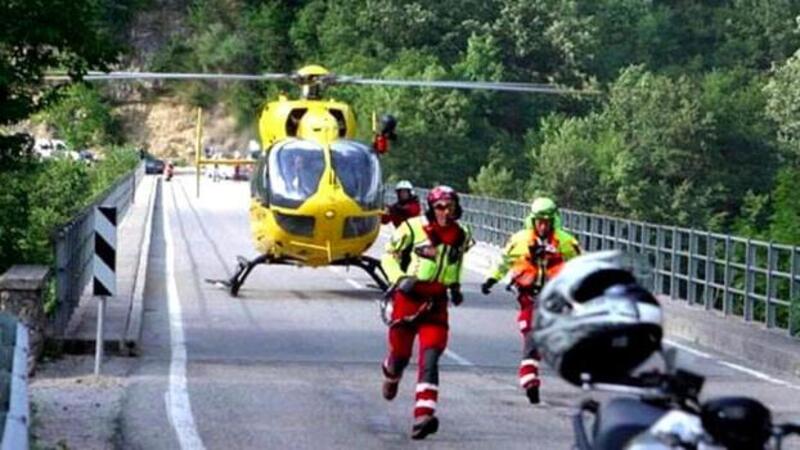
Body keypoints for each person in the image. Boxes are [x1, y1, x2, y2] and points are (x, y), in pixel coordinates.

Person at [380, 185, 473, 440]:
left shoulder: (461, 234)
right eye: (440, 207)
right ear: (431, 208)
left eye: (449, 207)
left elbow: (456, 262)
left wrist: (454, 286)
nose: (445, 212)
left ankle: (424, 414)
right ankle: (391, 371)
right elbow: (388, 256)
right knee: (400, 355)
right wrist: (400, 278)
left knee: (430, 357)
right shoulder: (411, 228)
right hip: (408, 299)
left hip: (436, 303)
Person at [480, 196, 581, 404]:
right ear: (532, 220)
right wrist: (491, 279)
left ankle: (530, 374)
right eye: (539, 221)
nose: (543, 226)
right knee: (529, 330)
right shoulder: (520, 240)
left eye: (547, 221)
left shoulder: (566, 242)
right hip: (528, 293)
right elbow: (504, 261)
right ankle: (529, 377)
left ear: (554, 221)